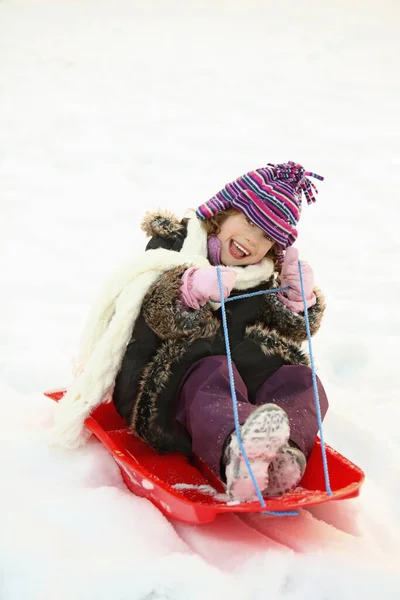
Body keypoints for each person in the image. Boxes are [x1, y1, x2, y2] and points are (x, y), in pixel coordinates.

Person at [53, 161, 328, 502]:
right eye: (250, 221)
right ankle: (240, 455)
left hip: (235, 396)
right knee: (212, 371)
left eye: (268, 237)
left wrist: (293, 306)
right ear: (224, 211)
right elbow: (147, 314)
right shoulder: (172, 248)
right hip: (162, 392)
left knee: (302, 380)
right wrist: (187, 292)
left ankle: (282, 457)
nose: (252, 241)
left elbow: (271, 342)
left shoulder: (259, 278)